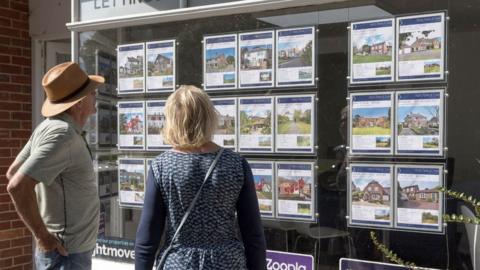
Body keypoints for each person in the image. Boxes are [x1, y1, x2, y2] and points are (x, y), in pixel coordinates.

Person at [134, 85, 267, 270]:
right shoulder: (236, 164)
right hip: (227, 262)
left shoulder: (161, 167)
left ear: (173, 120)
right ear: (209, 117)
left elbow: (147, 239)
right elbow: (253, 236)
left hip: (179, 263)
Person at [6, 62, 104, 270]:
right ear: (79, 103)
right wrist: (43, 236)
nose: (95, 95)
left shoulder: (49, 128)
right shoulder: (62, 134)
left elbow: (13, 171)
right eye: (90, 92)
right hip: (66, 255)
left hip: (67, 252)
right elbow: (16, 184)